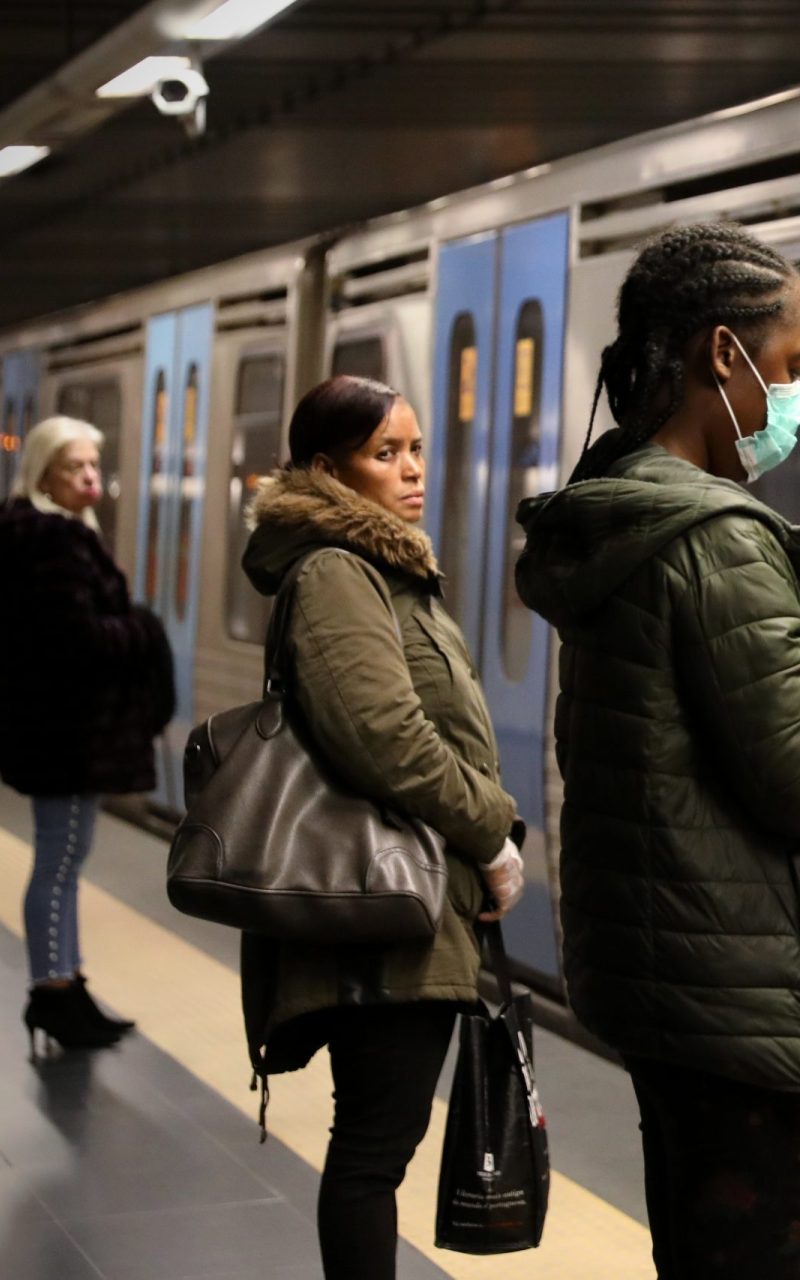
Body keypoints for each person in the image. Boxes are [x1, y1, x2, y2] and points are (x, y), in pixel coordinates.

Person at [514, 222, 800, 1280]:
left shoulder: (621, 513)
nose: (797, 392)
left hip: (683, 981)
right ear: (723, 354)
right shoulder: (714, 535)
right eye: (793, 364)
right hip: (759, 1000)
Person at [239, 374, 527, 1280]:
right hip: (380, 901)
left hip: (408, 898)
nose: (410, 472)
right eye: (384, 454)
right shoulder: (336, 571)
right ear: (329, 470)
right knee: (374, 1146)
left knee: (377, 1140)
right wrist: (490, 832)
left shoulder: (382, 568)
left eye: (414, 450)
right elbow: (384, 735)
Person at [0, 415, 173, 1055]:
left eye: (94, 465)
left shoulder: (48, 536)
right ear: (45, 475)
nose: (92, 477)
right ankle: (51, 995)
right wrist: (142, 629)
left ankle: (69, 984)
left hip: (56, 729)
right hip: (62, 733)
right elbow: (74, 640)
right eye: (75, 468)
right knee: (58, 862)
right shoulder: (54, 543)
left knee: (65, 861)